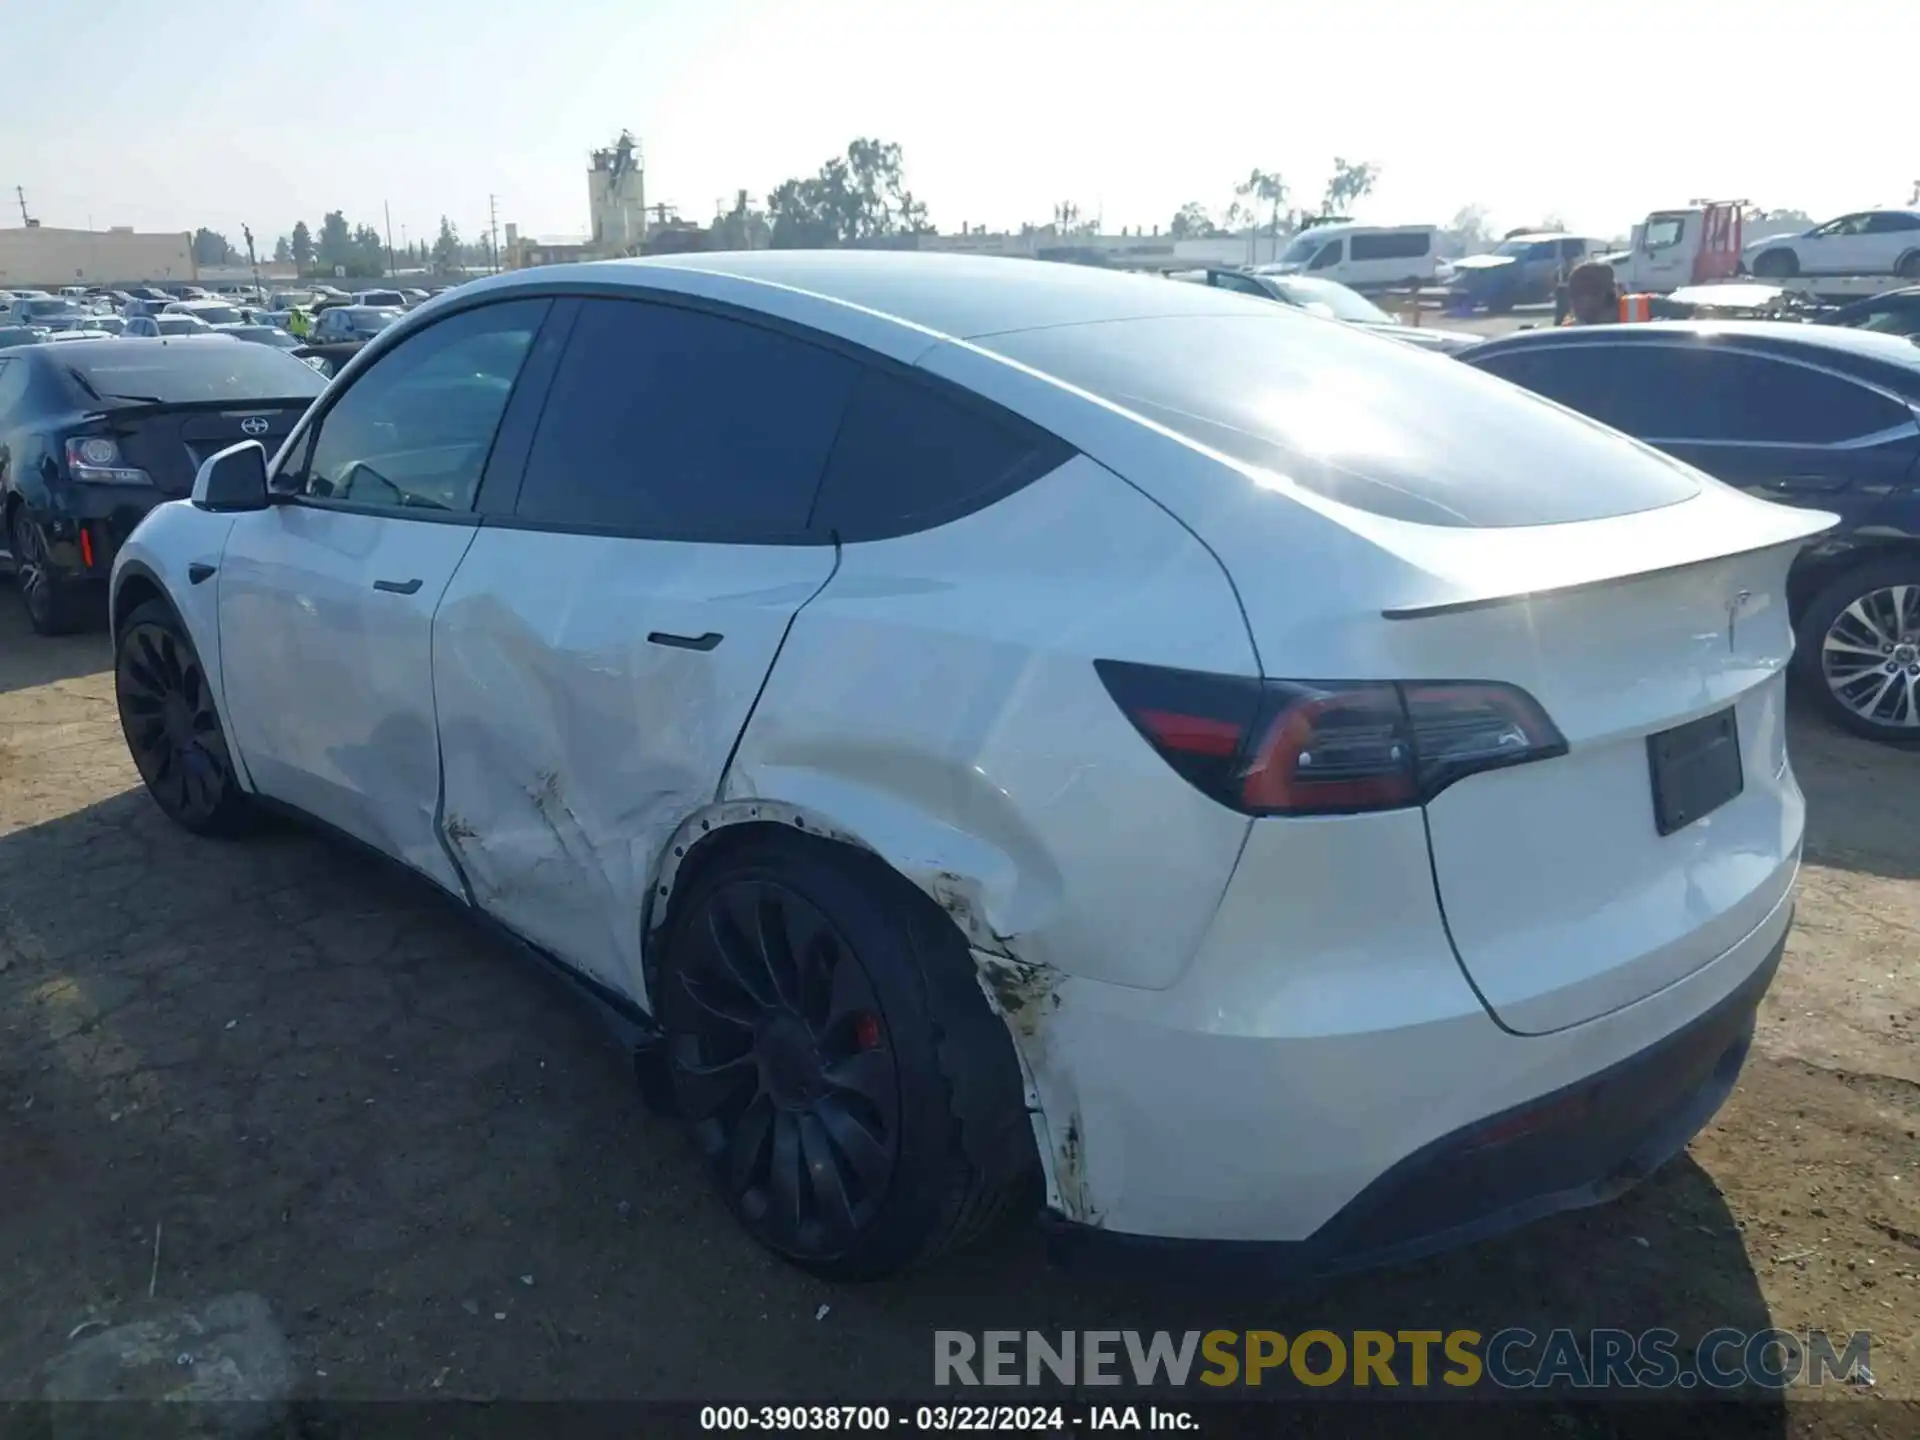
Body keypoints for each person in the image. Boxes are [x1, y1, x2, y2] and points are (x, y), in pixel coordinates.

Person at [1561, 261, 1621, 325]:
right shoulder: (1570, 331)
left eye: (1580, 292)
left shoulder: (1630, 319)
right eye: (1573, 293)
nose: (1573, 300)